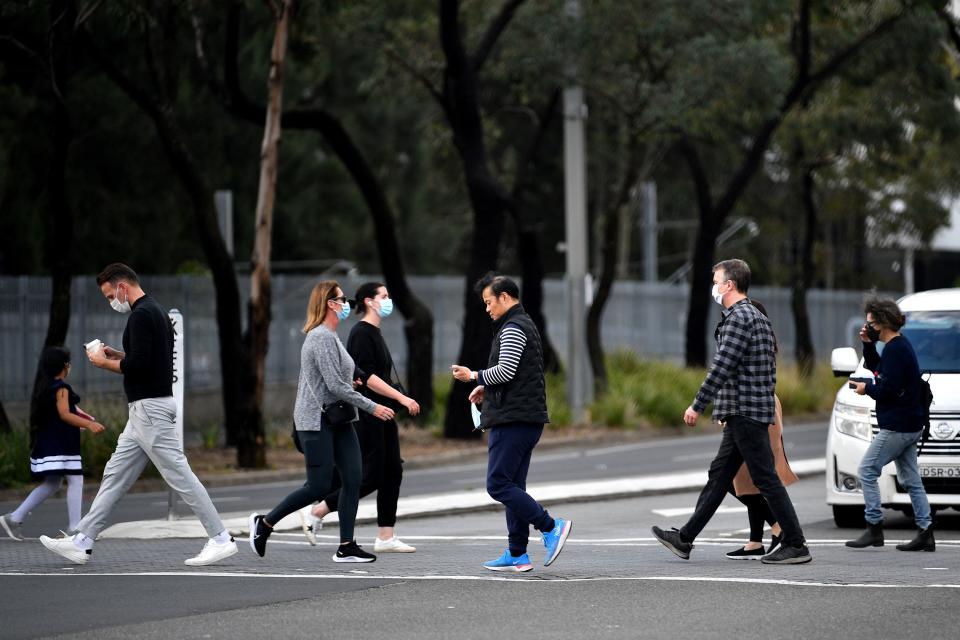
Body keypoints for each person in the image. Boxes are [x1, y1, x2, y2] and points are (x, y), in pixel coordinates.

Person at [39, 263, 238, 566]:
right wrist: (119, 356)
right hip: (146, 411)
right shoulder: (155, 311)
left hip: (150, 410)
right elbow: (149, 360)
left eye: (109, 295)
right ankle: (82, 540)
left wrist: (101, 362)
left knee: (179, 475)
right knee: (115, 475)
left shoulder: (140, 316)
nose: (111, 302)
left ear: (122, 286)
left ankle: (220, 538)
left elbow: (140, 367)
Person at [651, 259, 811, 565]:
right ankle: (684, 539)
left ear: (730, 285)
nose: (713, 286)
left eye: (716, 280)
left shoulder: (740, 318)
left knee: (765, 479)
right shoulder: (756, 318)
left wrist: (697, 404)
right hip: (747, 409)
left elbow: (722, 366)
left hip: (745, 410)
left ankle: (795, 542)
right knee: (719, 476)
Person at [249, 280, 396, 563]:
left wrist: (354, 383)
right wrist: (373, 406)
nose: (346, 304)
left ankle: (347, 545)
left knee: (353, 478)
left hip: (339, 418)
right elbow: (335, 386)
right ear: (330, 303)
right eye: (342, 299)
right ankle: (265, 523)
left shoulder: (333, 337)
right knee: (317, 486)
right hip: (316, 422)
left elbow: (344, 379)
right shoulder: (320, 337)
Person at [451, 273, 572, 573]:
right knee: (513, 484)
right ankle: (517, 552)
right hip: (523, 417)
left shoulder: (514, 327)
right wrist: (485, 387)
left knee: (498, 484)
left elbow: (505, 371)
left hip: (514, 419)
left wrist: (474, 376)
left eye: (489, 302)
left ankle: (551, 526)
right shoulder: (521, 324)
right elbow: (514, 373)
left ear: (504, 297)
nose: (487, 309)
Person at [300, 282, 421, 553]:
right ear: (370, 301)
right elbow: (367, 378)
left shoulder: (374, 332)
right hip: (370, 411)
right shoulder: (361, 333)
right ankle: (320, 509)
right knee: (373, 474)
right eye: (384, 296)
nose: (388, 300)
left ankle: (386, 536)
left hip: (384, 412)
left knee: (393, 471)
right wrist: (402, 398)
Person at [846, 297, 934, 552]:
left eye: (871, 323)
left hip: (898, 426)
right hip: (909, 423)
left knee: (867, 470)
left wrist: (866, 389)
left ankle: (874, 528)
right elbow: (879, 368)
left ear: (883, 323)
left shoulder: (897, 349)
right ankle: (925, 532)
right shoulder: (896, 346)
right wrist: (867, 345)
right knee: (911, 479)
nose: (868, 326)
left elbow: (889, 388)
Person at [0, 347, 106, 541]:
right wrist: (89, 424)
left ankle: (15, 518)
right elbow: (65, 414)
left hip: (51, 442)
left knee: (52, 483)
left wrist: (83, 418)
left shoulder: (47, 387)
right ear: (64, 366)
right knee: (75, 479)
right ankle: (75, 528)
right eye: (69, 363)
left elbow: (68, 411)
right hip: (62, 444)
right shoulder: (62, 388)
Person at [724, 301, 798, 560]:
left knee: (741, 478)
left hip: (756, 408)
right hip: (757, 406)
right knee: (747, 479)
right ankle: (755, 541)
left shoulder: (755, 340)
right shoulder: (759, 339)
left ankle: (778, 526)